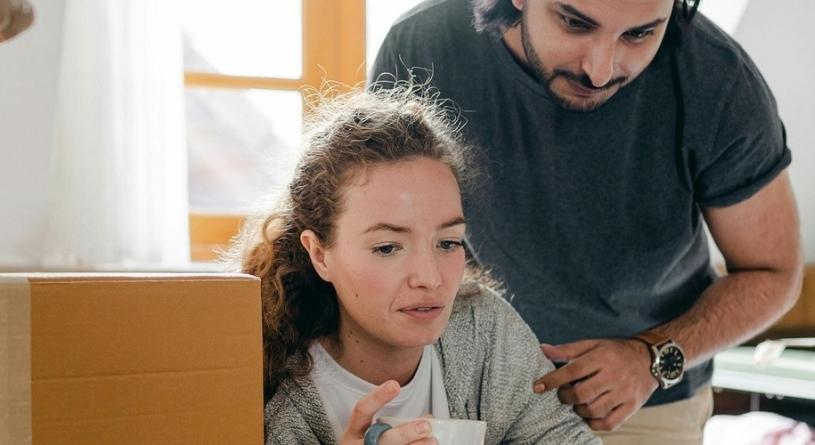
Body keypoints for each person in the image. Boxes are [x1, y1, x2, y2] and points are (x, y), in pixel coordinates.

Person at [370, 0, 804, 443]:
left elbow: (773, 273)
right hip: (460, 385)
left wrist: (652, 356)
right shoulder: (422, 45)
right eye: (575, 23)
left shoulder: (720, 80)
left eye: (638, 35)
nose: (600, 70)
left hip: (638, 400)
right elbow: (378, 234)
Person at [228, 88, 599, 445]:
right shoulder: (268, 387)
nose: (430, 278)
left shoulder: (485, 330)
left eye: (448, 243)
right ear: (320, 254)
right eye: (388, 247)